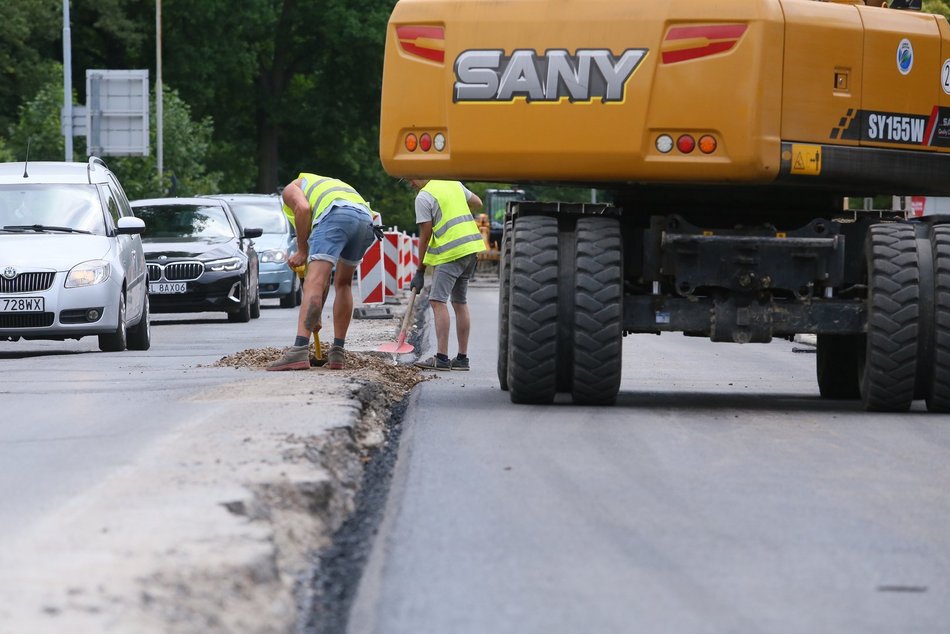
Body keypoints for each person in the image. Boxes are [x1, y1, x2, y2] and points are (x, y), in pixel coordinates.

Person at [267, 173, 380, 371]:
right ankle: (337, 352)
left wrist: (302, 251)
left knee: (313, 282)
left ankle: (299, 350)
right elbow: (325, 277)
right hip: (365, 219)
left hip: (336, 214)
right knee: (343, 283)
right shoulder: (328, 185)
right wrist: (315, 314)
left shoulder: (291, 188)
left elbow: (302, 208)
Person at [408, 179, 485, 371]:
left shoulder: (424, 197)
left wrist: (420, 270)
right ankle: (462, 359)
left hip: (451, 251)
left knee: (437, 301)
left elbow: (424, 237)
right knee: (460, 302)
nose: (411, 184)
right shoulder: (453, 183)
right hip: (471, 248)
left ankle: (441, 358)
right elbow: (478, 202)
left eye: (410, 179)